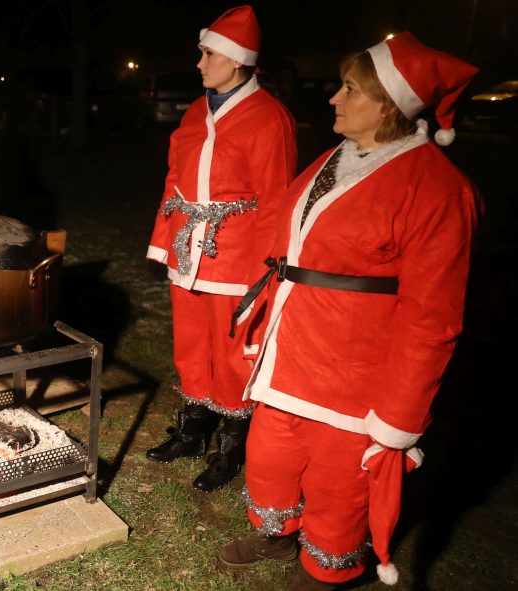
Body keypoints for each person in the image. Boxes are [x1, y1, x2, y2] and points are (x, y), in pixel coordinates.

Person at [217, 33, 480, 590]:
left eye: (350, 89)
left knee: (340, 484)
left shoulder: (437, 189)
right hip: (291, 349)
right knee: (270, 457)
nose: (333, 98)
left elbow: (433, 316)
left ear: (389, 104)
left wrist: (400, 417)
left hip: (353, 375)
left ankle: (323, 572)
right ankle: (277, 535)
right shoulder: (338, 158)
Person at [145, 5, 298, 492]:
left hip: (237, 260)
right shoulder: (195, 110)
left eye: (208, 54)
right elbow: (174, 179)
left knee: (232, 353)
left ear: (235, 61)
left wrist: (267, 270)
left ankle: (230, 446)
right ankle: (192, 431)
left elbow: (277, 197)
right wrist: (162, 243)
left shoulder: (270, 118)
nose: (199, 63)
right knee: (191, 347)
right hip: (189, 253)